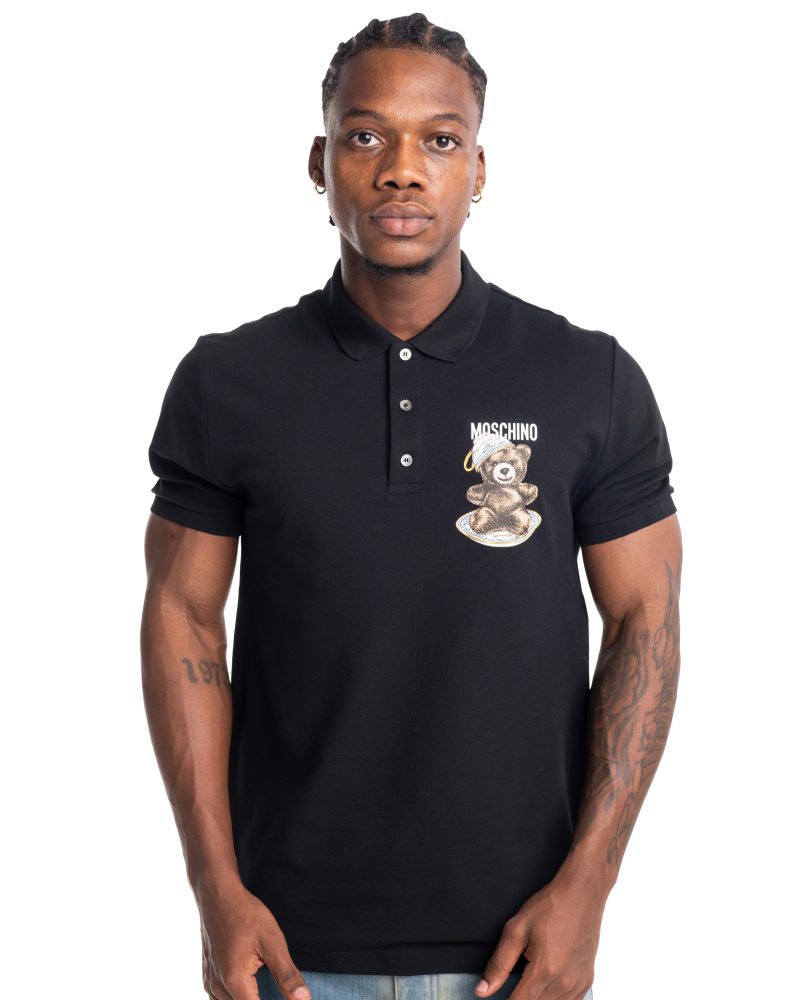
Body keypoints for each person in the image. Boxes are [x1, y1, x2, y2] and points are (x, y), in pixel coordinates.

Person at [140, 12, 682, 1000]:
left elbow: (646, 617)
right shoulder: (227, 383)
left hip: (519, 953)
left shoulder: (588, 379)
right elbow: (183, 618)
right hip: (287, 951)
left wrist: (588, 889)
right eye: (365, 135)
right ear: (320, 163)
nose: (401, 170)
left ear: (478, 169)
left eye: (438, 139)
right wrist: (213, 887)